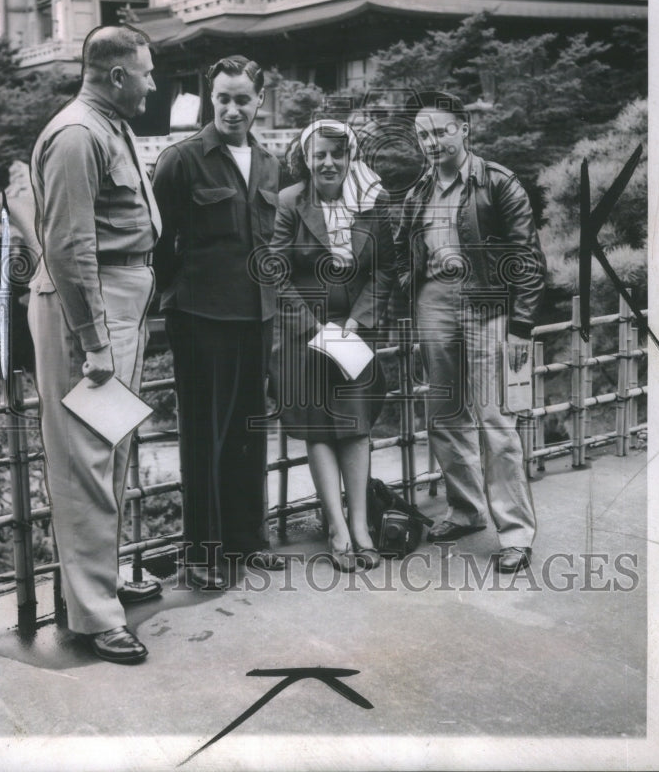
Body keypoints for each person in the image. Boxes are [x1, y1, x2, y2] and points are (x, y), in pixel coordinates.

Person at [28, 25, 163, 665]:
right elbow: (67, 247)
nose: (154, 82)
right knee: (85, 460)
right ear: (116, 76)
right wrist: (96, 342)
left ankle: (99, 586)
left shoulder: (107, 124)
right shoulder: (79, 134)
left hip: (116, 299)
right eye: (147, 72)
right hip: (91, 308)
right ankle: (94, 617)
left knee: (111, 449)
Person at [395, 91, 546, 573]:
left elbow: (526, 257)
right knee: (443, 415)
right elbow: (403, 252)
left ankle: (516, 535)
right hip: (433, 304)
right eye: (423, 134)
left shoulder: (497, 183)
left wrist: (521, 324)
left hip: (488, 306)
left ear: (464, 128)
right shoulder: (418, 191)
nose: (431, 141)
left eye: (440, 130)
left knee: (496, 422)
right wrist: (407, 288)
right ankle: (466, 509)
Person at [151, 55, 286, 591]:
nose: (232, 109)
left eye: (243, 99)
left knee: (249, 432)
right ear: (211, 99)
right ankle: (202, 553)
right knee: (203, 436)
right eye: (223, 98)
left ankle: (247, 541)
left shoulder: (271, 163)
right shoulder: (181, 160)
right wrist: (175, 301)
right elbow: (157, 247)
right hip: (201, 317)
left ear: (259, 101)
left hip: (256, 315)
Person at [270, 120, 396, 571]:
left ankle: (361, 527)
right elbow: (276, 271)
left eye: (337, 155)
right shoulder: (290, 202)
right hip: (303, 335)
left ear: (350, 158)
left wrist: (356, 323)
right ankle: (337, 528)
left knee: (356, 424)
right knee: (318, 427)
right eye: (319, 154)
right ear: (306, 158)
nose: (328, 162)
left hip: (353, 334)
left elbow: (384, 270)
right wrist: (314, 328)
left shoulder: (371, 204)